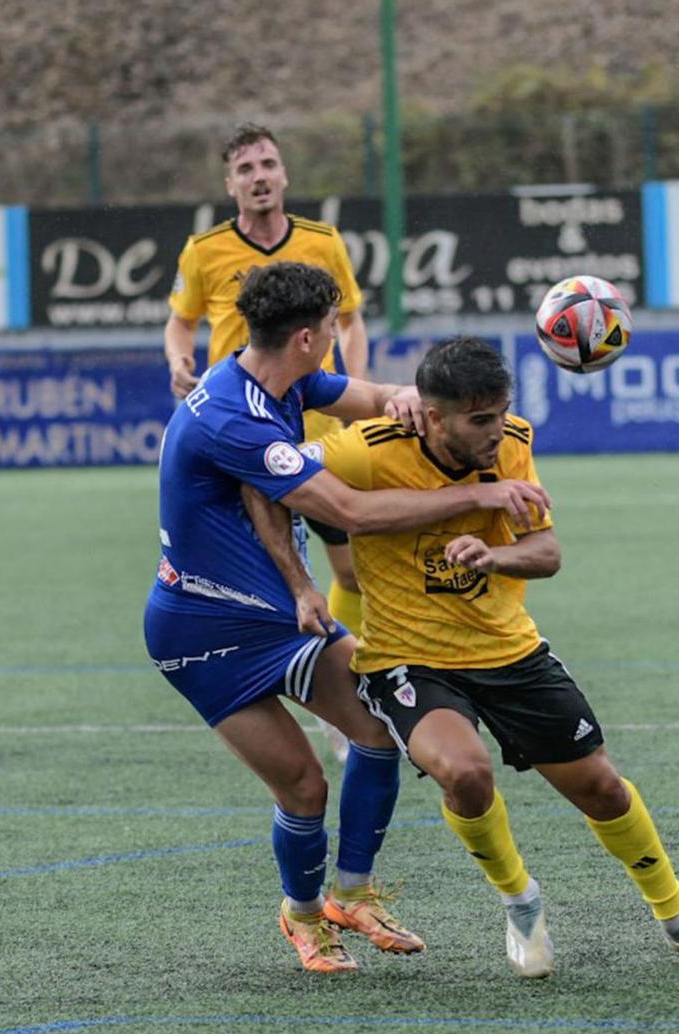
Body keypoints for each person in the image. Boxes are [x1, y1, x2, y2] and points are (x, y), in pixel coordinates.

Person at [251, 336, 679, 979]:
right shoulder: (366, 450)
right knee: (465, 772)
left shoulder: (514, 440)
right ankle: (521, 900)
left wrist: (495, 555)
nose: (495, 431)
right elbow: (264, 480)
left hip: (509, 650)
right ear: (433, 416)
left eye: (500, 413)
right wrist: (298, 581)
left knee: (601, 788)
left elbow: (547, 552)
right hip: (409, 658)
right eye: (478, 419)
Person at [144, 263, 551, 974]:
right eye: (333, 329)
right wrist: (475, 500)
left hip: (281, 618)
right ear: (306, 337)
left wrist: (415, 403)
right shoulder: (233, 420)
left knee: (376, 729)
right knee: (304, 784)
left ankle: (353, 894)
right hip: (205, 634)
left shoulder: (283, 378)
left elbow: (371, 395)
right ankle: (302, 917)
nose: (338, 338)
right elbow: (352, 512)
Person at [164, 123, 368, 760]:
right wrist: (178, 358)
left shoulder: (322, 242)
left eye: (268, 164)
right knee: (265, 570)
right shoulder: (204, 252)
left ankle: (340, 687)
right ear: (230, 184)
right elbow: (181, 319)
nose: (258, 176)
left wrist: (352, 390)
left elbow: (353, 319)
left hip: (310, 425)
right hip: (240, 436)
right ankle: (313, 686)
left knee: (349, 571)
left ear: (284, 175)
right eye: (246, 167)